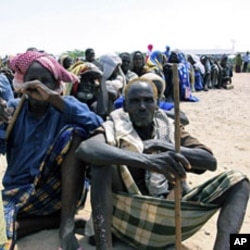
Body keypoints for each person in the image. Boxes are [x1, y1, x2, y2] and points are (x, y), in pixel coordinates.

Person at [75, 77, 249, 250]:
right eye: (135, 101)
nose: (142, 106)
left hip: (169, 219)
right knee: (102, 162)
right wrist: (148, 161)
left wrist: (164, 147)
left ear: (157, 104)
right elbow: (87, 148)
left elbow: (209, 161)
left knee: (239, 182)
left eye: (148, 100)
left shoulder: (169, 127)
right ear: (126, 107)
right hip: (128, 220)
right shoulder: (115, 125)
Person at [0, 51, 103, 250]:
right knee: (3, 228)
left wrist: (54, 99)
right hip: (19, 191)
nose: (38, 86)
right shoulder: (13, 109)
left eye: (45, 81)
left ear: (56, 85)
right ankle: (49, 222)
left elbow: (97, 124)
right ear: (23, 83)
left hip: (59, 192)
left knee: (74, 134)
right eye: (33, 80)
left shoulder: (66, 106)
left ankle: (66, 225)